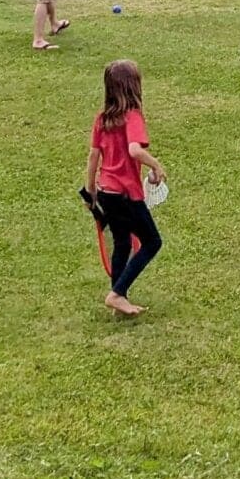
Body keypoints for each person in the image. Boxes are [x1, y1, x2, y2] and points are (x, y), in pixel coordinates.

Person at [82, 59, 165, 316]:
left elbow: (93, 157)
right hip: (126, 193)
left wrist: (90, 192)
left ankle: (119, 297)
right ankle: (117, 293)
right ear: (133, 87)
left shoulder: (102, 119)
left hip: (106, 192)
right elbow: (134, 150)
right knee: (152, 241)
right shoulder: (133, 116)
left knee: (121, 243)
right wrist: (156, 166)